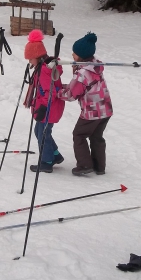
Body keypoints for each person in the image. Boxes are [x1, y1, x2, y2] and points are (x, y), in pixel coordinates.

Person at [58, 32, 113, 176]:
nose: (72, 55)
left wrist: (57, 93)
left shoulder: (82, 73)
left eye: (75, 53)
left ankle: (84, 165)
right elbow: (77, 86)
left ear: (81, 56)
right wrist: (64, 86)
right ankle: (99, 166)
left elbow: (72, 95)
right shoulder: (95, 66)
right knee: (96, 136)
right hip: (105, 109)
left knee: (79, 135)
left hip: (92, 111)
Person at [23, 29, 66, 173]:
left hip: (48, 108)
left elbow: (50, 91)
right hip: (49, 106)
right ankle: (55, 155)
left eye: (30, 59)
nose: (29, 62)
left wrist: (42, 106)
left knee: (42, 133)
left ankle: (46, 161)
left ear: (37, 56)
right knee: (40, 131)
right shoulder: (42, 68)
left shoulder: (44, 71)